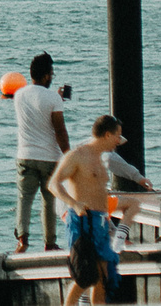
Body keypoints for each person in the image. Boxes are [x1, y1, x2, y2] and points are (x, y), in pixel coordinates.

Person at [47, 115, 127, 305]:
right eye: (117, 136)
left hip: (100, 221)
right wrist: (73, 203)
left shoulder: (100, 158)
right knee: (84, 276)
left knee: (102, 277)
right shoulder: (77, 156)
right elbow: (53, 184)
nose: (119, 141)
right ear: (107, 135)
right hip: (83, 220)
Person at [12, 53, 72, 254]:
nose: (52, 76)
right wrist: (68, 154)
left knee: (24, 198)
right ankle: (49, 243)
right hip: (49, 157)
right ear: (46, 75)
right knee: (48, 200)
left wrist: (55, 98)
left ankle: (23, 240)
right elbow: (59, 130)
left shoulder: (19, 94)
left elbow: (36, 108)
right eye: (52, 73)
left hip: (25, 155)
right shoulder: (53, 98)